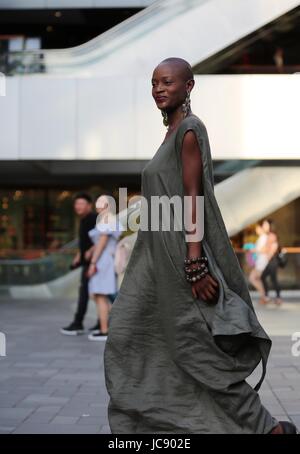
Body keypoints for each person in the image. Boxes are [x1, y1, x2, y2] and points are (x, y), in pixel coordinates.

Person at [103, 58, 297, 434]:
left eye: (168, 82)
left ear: (188, 86)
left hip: (179, 258)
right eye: (154, 82)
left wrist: (195, 263)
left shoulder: (189, 130)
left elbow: (193, 197)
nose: (159, 88)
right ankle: (163, 423)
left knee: (197, 352)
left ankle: (267, 429)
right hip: (153, 259)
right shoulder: (172, 131)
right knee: (130, 336)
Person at [86, 195, 124, 341]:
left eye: (102, 202)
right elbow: (99, 242)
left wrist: (93, 263)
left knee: (101, 295)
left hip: (103, 262)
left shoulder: (108, 219)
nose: (98, 204)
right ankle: (106, 328)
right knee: (100, 296)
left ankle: (104, 331)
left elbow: (102, 243)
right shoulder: (105, 219)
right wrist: (90, 252)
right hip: (104, 260)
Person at [60, 193, 98, 335]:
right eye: (77, 204)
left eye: (81, 204)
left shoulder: (94, 219)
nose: (78, 207)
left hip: (94, 263)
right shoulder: (83, 220)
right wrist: (79, 255)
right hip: (87, 262)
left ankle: (78, 323)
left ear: (89, 205)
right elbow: (85, 242)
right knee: (94, 293)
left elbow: (102, 239)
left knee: (88, 293)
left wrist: (90, 252)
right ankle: (101, 323)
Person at [261, 219, 282, 306]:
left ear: (270, 226)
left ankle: (277, 298)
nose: (264, 226)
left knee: (273, 279)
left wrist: (268, 255)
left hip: (272, 261)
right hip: (270, 261)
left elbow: (273, 248)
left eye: (265, 225)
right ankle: (268, 296)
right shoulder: (268, 235)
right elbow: (265, 249)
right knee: (264, 277)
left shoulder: (272, 235)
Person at [248, 223, 269, 305]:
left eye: (257, 229)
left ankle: (264, 297)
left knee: (252, 278)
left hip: (262, 262)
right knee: (257, 279)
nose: (256, 231)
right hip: (259, 261)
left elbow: (264, 250)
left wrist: (254, 250)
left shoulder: (264, 237)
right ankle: (263, 297)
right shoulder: (261, 237)